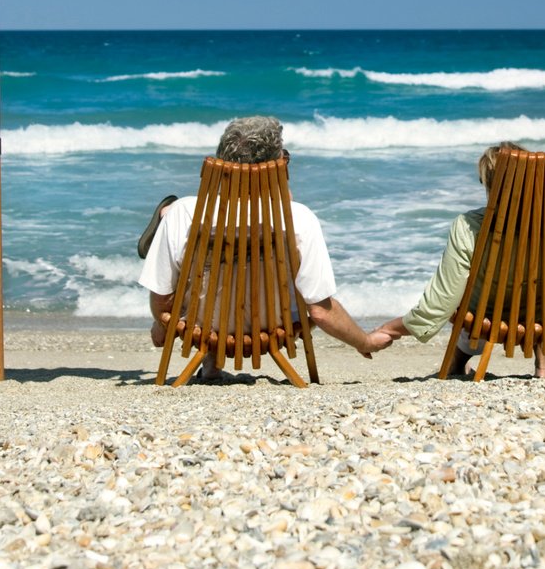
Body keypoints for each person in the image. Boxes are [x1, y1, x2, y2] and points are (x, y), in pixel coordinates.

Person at [138, 115, 390, 375]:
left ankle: (163, 215)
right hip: (275, 326)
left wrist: (164, 322)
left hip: (201, 327)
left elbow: (161, 299)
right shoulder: (299, 218)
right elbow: (321, 311)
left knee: (184, 228)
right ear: (277, 167)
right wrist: (365, 340)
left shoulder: (184, 213)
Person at [377, 125, 545, 377]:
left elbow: (439, 306)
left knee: (472, 294)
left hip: (487, 318)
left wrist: (391, 329)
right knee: (541, 288)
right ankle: (544, 367)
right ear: (537, 176)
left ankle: (458, 361)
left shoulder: (468, 226)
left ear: (489, 185)